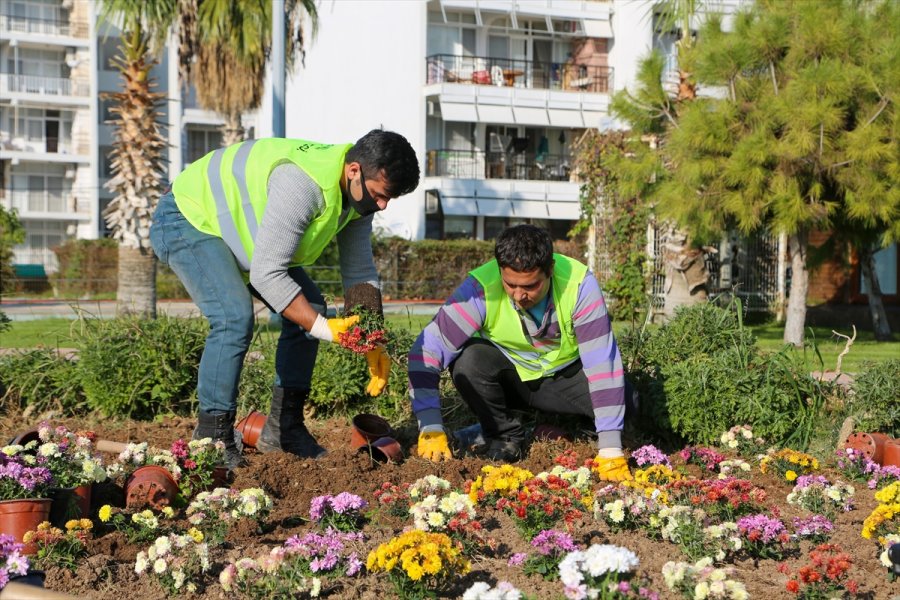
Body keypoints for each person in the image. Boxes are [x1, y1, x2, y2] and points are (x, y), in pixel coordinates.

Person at [149, 130, 419, 470]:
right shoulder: (303, 185)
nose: (382, 205)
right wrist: (324, 329)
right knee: (233, 317)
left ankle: (284, 430)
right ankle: (213, 438)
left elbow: (360, 270)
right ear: (353, 170)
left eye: (390, 198)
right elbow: (267, 275)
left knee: (311, 306)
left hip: (235, 234)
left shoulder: (357, 198)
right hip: (187, 217)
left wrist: (369, 336)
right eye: (380, 195)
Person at [409, 224, 632, 482]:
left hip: (564, 379)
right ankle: (503, 435)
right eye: (510, 284)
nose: (518, 295)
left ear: (550, 271)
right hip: (510, 379)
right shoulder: (480, 288)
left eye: (530, 286)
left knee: (629, 400)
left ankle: (567, 429)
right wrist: (430, 424)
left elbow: (602, 364)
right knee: (469, 361)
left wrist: (611, 448)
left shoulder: (579, 285)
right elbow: (425, 352)